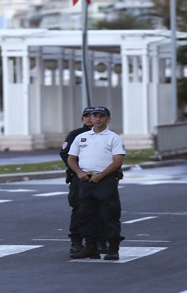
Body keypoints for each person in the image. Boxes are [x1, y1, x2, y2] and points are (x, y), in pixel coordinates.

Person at [67, 106, 125, 260]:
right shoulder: (81, 137)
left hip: (106, 180)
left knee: (109, 213)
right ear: (90, 118)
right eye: (95, 116)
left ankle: (112, 247)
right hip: (86, 180)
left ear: (108, 119)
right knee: (86, 214)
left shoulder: (114, 137)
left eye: (101, 116)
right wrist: (80, 173)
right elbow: (71, 158)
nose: (98, 118)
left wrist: (100, 176)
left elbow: (117, 161)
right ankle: (91, 246)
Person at [59, 107, 95, 258]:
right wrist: (79, 170)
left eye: (92, 116)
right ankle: (76, 241)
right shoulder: (76, 134)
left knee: (103, 209)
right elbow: (65, 153)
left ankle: (98, 241)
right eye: (85, 116)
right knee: (79, 208)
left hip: (101, 177)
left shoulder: (108, 136)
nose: (89, 118)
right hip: (79, 178)